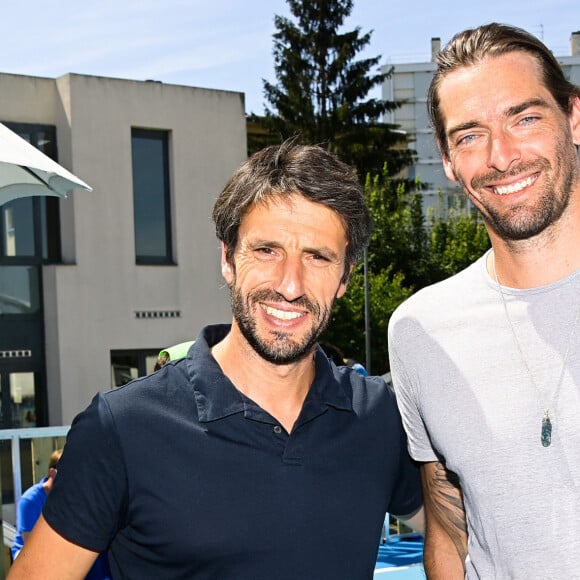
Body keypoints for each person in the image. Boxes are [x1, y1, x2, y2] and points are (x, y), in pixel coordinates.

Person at [9, 142, 423, 580]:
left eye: (317, 257)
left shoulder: (377, 417)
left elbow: (462, 537)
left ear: (345, 278)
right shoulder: (121, 428)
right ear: (227, 258)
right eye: (267, 250)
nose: (290, 284)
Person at [388, 22, 580, 579]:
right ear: (448, 161)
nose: (502, 156)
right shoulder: (421, 331)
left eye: (525, 118)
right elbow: (449, 531)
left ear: (573, 117)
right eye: (470, 135)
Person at [11, 449, 111, 580]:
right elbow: (31, 549)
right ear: (52, 473)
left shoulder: (78, 495)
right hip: (32, 559)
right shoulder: (30, 501)